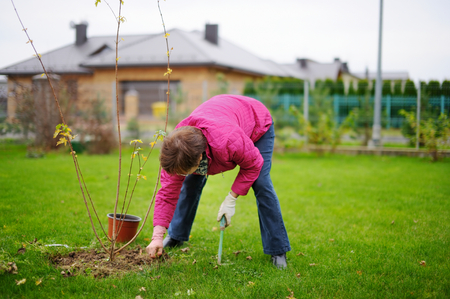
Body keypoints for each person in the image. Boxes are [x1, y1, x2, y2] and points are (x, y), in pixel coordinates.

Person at [145, 94, 290, 268]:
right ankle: (175, 236)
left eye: (183, 171)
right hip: (222, 116)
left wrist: (231, 198)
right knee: (190, 182)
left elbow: (253, 165)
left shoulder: (228, 140)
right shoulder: (176, 149)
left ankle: (278, 249)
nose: (179, 175)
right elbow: (167, 193)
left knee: (261, 183)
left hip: (256, 122)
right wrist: (157, 236)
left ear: (199, 158)